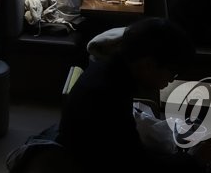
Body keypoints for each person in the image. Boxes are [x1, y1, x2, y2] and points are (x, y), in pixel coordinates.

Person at [58, 18, 200, 171]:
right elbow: (137, 163)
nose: (171, 80)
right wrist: (192, 159)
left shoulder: (109, 69)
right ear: (148, 65)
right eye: (173, 73)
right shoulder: (108, 96)